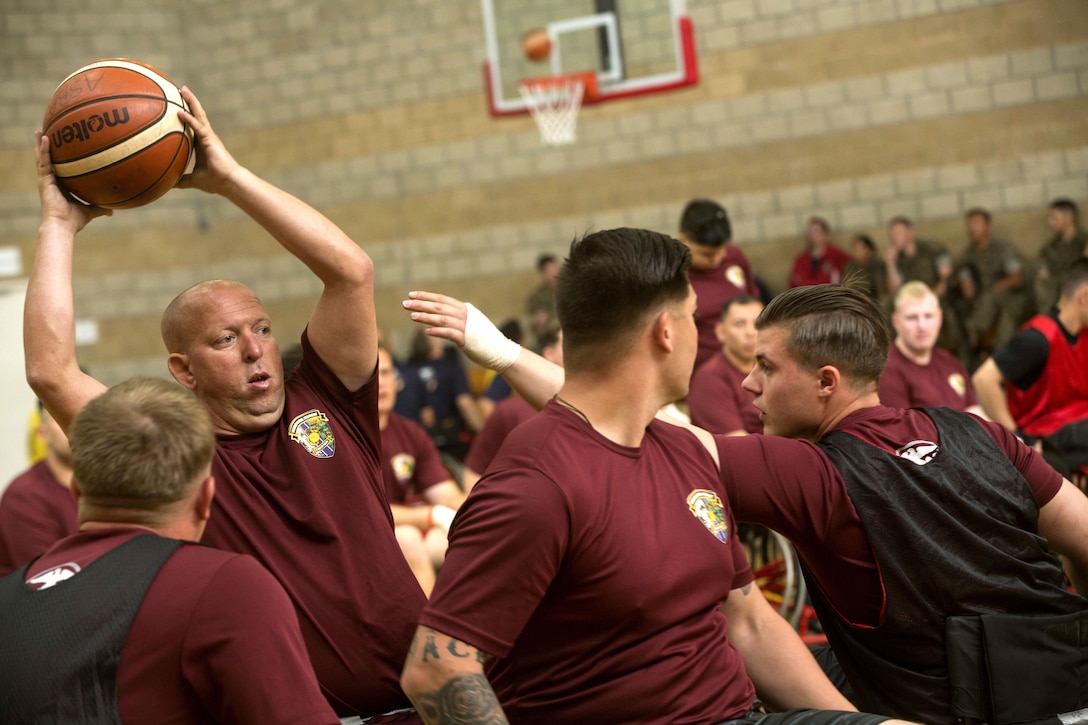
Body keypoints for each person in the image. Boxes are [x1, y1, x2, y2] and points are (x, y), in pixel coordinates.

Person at [403, 277, 1088, 723]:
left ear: (826, 381)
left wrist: (503, 353)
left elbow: (624, 414)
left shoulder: (806, 471)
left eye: (765, 367)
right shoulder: (983, 431)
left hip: (950, 704)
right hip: (1064, 681)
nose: (748, 386)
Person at [400, 229, 907, 725]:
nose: (701, 335)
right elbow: (437, 669)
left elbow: (748, 623)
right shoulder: (537, 481)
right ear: (666, 330)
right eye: (694, 319)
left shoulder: (684, 450)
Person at [26, 87, 424, 721]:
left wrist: (229, 178)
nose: (254, 350)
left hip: (431, 705)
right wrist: (57, 225)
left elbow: (351, 270)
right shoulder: (173, 452)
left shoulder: (331, 401)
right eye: (225, 339)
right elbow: (52, 372)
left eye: (262, 329)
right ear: (182, 371)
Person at [0, 377, 338, 724]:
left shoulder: (7, 598)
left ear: (76, 493)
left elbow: (45, 372)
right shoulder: (227, 587)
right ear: (206, 498)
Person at [972, 259, 1088, 480]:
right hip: (1047, 432)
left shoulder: (1083, 334)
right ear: (1084, 296)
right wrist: (1019, 438)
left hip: (1077, 426)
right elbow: (983, 380)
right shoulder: (1037, 339)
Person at [378, 346, 465, 596]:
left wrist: (482, 511)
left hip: (413, 528)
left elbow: (446, 496)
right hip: (367, 537)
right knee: (407, 538)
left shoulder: (409, 431)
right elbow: (362, 512)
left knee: (477, 538)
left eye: (385, 373)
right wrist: (433, 515)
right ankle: (431, 632)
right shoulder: (344, 435)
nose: (381, 383)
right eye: (372, 375)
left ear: (396, 381)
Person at [461, 326, 563, 491]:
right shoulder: (511, 409)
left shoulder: (604, 405)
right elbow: (475, 471)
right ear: (549, 354)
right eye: (569, 346)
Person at [677, 199, 761, 371]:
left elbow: (754, 302)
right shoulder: (675, 276)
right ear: (683, 240)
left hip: (749, 364)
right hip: (703, 370)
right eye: (707, 254)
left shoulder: (734, 255)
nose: (717, 258)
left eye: (722, 250)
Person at [879, 281, 985, 416]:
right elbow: (903, 432)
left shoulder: (949, 361)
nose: (922, 326)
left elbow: (974, 412)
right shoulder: (887, 369)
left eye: (928, 316)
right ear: (896, 322)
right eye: (912, 318)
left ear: (939, 317)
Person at [0, 403, 78, 576]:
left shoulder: (107, 486)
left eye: (83, 417)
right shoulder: (24, 495)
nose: (74, 426)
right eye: (61, 418)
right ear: (42, 433)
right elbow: (48, 579)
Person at [956, 207, 1033, 353]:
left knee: (1007, 312)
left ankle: (997, 351)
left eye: (977, 223)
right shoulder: (967, 255)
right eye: (969, 224)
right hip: (982, 302)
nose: (972, 228)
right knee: (959, 309)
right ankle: (971, 353)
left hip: (1012, 296)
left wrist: (991, 292)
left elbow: (1017, 279)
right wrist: (972, 296)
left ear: (988, 226)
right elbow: (966, 286)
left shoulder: (1003, 249)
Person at [688, 294, 764, 435]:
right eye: (739, 324)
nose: (750, 332)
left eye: (757, 324)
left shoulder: (772, 368)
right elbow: (739, 446)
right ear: (721, 332)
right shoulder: (709, 379)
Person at [403, 328, 484, 462]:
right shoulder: (451, 368)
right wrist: (483, 432)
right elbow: (465, 404)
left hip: (416, 441)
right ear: (436, 345)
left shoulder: (406, 372)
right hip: (452, 441)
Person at [1034, 197, 1088, 315]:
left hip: (1080, 285)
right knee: (1042, 283)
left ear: (1069, 217)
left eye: (1054, 218)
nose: (1050, 222)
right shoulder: (1049, 247)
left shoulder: (1083, 240)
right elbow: (1042, 268)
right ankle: (1049, 322)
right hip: (1057, 289)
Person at [881, 216, 952, 298]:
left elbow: (945, 279)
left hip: (936, 298)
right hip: (909, 301)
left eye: (898, 232)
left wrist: (930, 299)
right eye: (891, 234)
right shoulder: (896, 257)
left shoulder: (933, 249)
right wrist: (890, 265)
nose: (894, 237)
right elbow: (895, 290)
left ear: (911, 232)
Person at [788, 216, 851, 289]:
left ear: (825, 234)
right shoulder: (800, 261)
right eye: (809, 231)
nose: (812, 235)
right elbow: (793, 286)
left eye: (816, 231)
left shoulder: (837, 256)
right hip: (806, 298)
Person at [525, 252, 559, 350]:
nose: (555, 275)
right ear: (543, 274)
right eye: (550, 272)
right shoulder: (537, 298)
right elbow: (536, 324)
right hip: (548, 340)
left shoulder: (568, 290)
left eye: (556, 270)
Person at [843, 233, 885, 302]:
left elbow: (881, 288)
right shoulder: (850, 266)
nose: (854, 251)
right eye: (853, 248)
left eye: (858, 248)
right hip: (854, 300)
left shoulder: (876, 264)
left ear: (868, 249)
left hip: (873, 299)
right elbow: (847, 286)